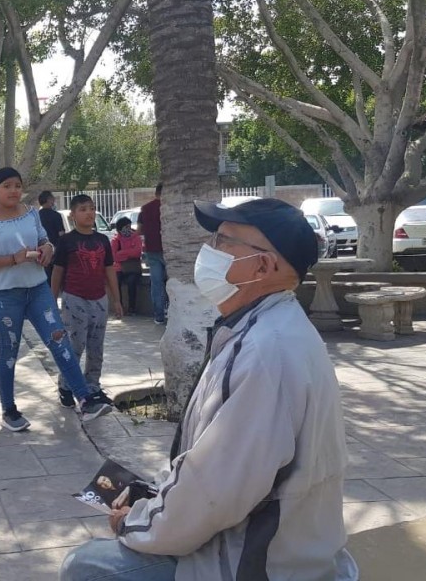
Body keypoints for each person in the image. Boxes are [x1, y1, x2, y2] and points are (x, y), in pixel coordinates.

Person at [60, 198, 358, 581]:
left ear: (263, 265)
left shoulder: (264, 351)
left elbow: (214, 496)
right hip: (285, 545)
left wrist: (132, 523)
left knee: (86, 568)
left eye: (223, 241)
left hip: (258, 564)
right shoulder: (269, 327)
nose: (209, 251)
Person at [0, 168, 112, 432]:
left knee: (60, 342)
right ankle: (9, 411)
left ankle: (85, 399)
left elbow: (44, 241)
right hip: (5, 296)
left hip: (38, 290)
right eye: (7, 186)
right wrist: (14, 259)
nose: (13, 191)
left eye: (17, 185)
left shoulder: (31, 213)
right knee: (8, 352)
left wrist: (47, 249)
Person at [51, 194, 122, 408]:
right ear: (73, 215)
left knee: (96, 346)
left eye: (91, 208)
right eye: (83, 209)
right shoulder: (66, 241)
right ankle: (66, 386)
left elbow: (109, 270)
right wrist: (51, 302)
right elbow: (57, 272)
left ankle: (93, 387)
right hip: (74, 299)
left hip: (99, 299)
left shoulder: (102, 240)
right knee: (75, 345)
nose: (89, 213)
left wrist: (116, 299)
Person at [137, 183, 166, 324]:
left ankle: (159, 315)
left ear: (156, 193)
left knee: (156, 284)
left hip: (152, 250)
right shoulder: (169, 208)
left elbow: (140, 230)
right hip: (170, 250)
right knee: (174, 282)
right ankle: (172, 311)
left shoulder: (145, 209)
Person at [110, 216, 143, 315]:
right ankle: (120, 306)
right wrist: (129, 254)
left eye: (129, 226)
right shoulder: (116, 240)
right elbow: (114, 257)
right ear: (120, 229)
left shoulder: (136, 237)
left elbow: (137, 252)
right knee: (116, 281)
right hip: (119, 268)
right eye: (126, 227)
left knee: (131, 282)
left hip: (133, 268)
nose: (128, 229)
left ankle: (132, 308)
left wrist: (123, 253)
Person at [38, 190, 65, 283]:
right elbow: (61, 234)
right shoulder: (56, 216)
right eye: (53, 199)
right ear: (49, 200)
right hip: (55, 251)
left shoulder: (37, 216)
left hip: (40, 251)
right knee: (55, 279)